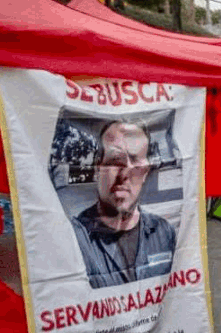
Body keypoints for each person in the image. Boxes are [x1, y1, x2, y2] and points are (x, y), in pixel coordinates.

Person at [72, 120, 178, 290]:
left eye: (136, 162)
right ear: (98, 167)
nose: (124, 173)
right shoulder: (74, 238)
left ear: (145, 172)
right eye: (115, 160)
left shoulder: (164, 233)